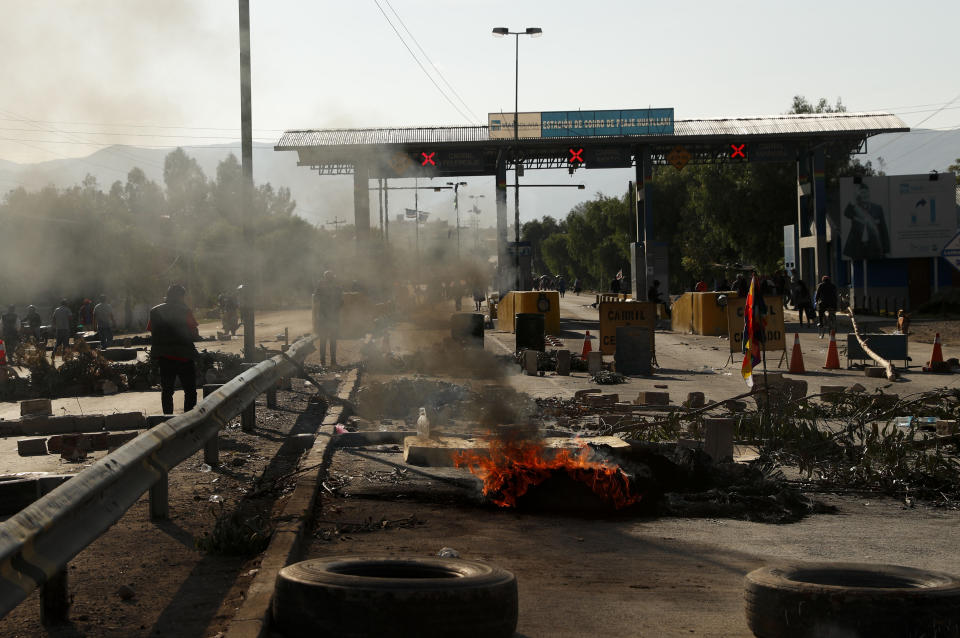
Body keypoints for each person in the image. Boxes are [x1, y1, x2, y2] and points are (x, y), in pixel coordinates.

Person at [147, 284, 200, 415]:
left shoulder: (155, 311)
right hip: (184, 356)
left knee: (167, 390)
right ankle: (189, 418)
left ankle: (167, 418)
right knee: (190, 390)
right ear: (181, 296)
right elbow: (194, 333)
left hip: (164, 357)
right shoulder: (185, 311)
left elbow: (151, 331)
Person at [312, 271, 343, 366]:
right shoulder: (337, 288)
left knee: (324, 340)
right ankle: (332, 361)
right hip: (331, 317)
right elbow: (341, 303)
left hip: (324, 317)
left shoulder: (321, 287)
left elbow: (315, 299)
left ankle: (323, 362)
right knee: (331, 340)